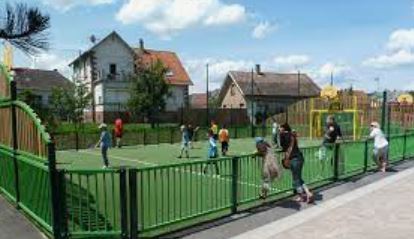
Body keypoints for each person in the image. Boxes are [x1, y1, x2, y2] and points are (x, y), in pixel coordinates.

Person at [279, 123, 313, 203]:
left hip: (293, 159)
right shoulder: (292, 134)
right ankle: (308, 193)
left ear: (283, 128)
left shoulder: (283, 135)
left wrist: (280, 134)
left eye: (280, 128)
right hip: (300, 157)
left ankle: (302, 196)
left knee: (296, 180)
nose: (279, 129)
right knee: (299, 178)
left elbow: (282, 146)